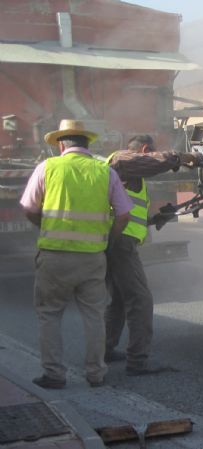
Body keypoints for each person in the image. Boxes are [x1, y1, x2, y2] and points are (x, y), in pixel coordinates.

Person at [20, 119, 133, 389]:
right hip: (93, 257)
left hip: (54, 256)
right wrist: (108, 240)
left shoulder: (47, 167)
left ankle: (54, 375)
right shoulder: (104, 171)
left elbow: (29, 207)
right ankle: (96, 374)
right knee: (94, 316)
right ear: (87, 143)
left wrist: (45, 226)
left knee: (50, 314)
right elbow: (124, 214)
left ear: (61, 144)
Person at [104, 135, 200, 375]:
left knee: (117, 298)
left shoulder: (127, 174)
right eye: (149, 153)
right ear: (145, 150)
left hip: (115, 240)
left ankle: (105, 350)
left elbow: (128, 208)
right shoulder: (122, 159)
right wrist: (183, 157)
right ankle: (137, 361)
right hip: (120, 242)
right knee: (140, 299)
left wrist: (154, 219)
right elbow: (155, 162)